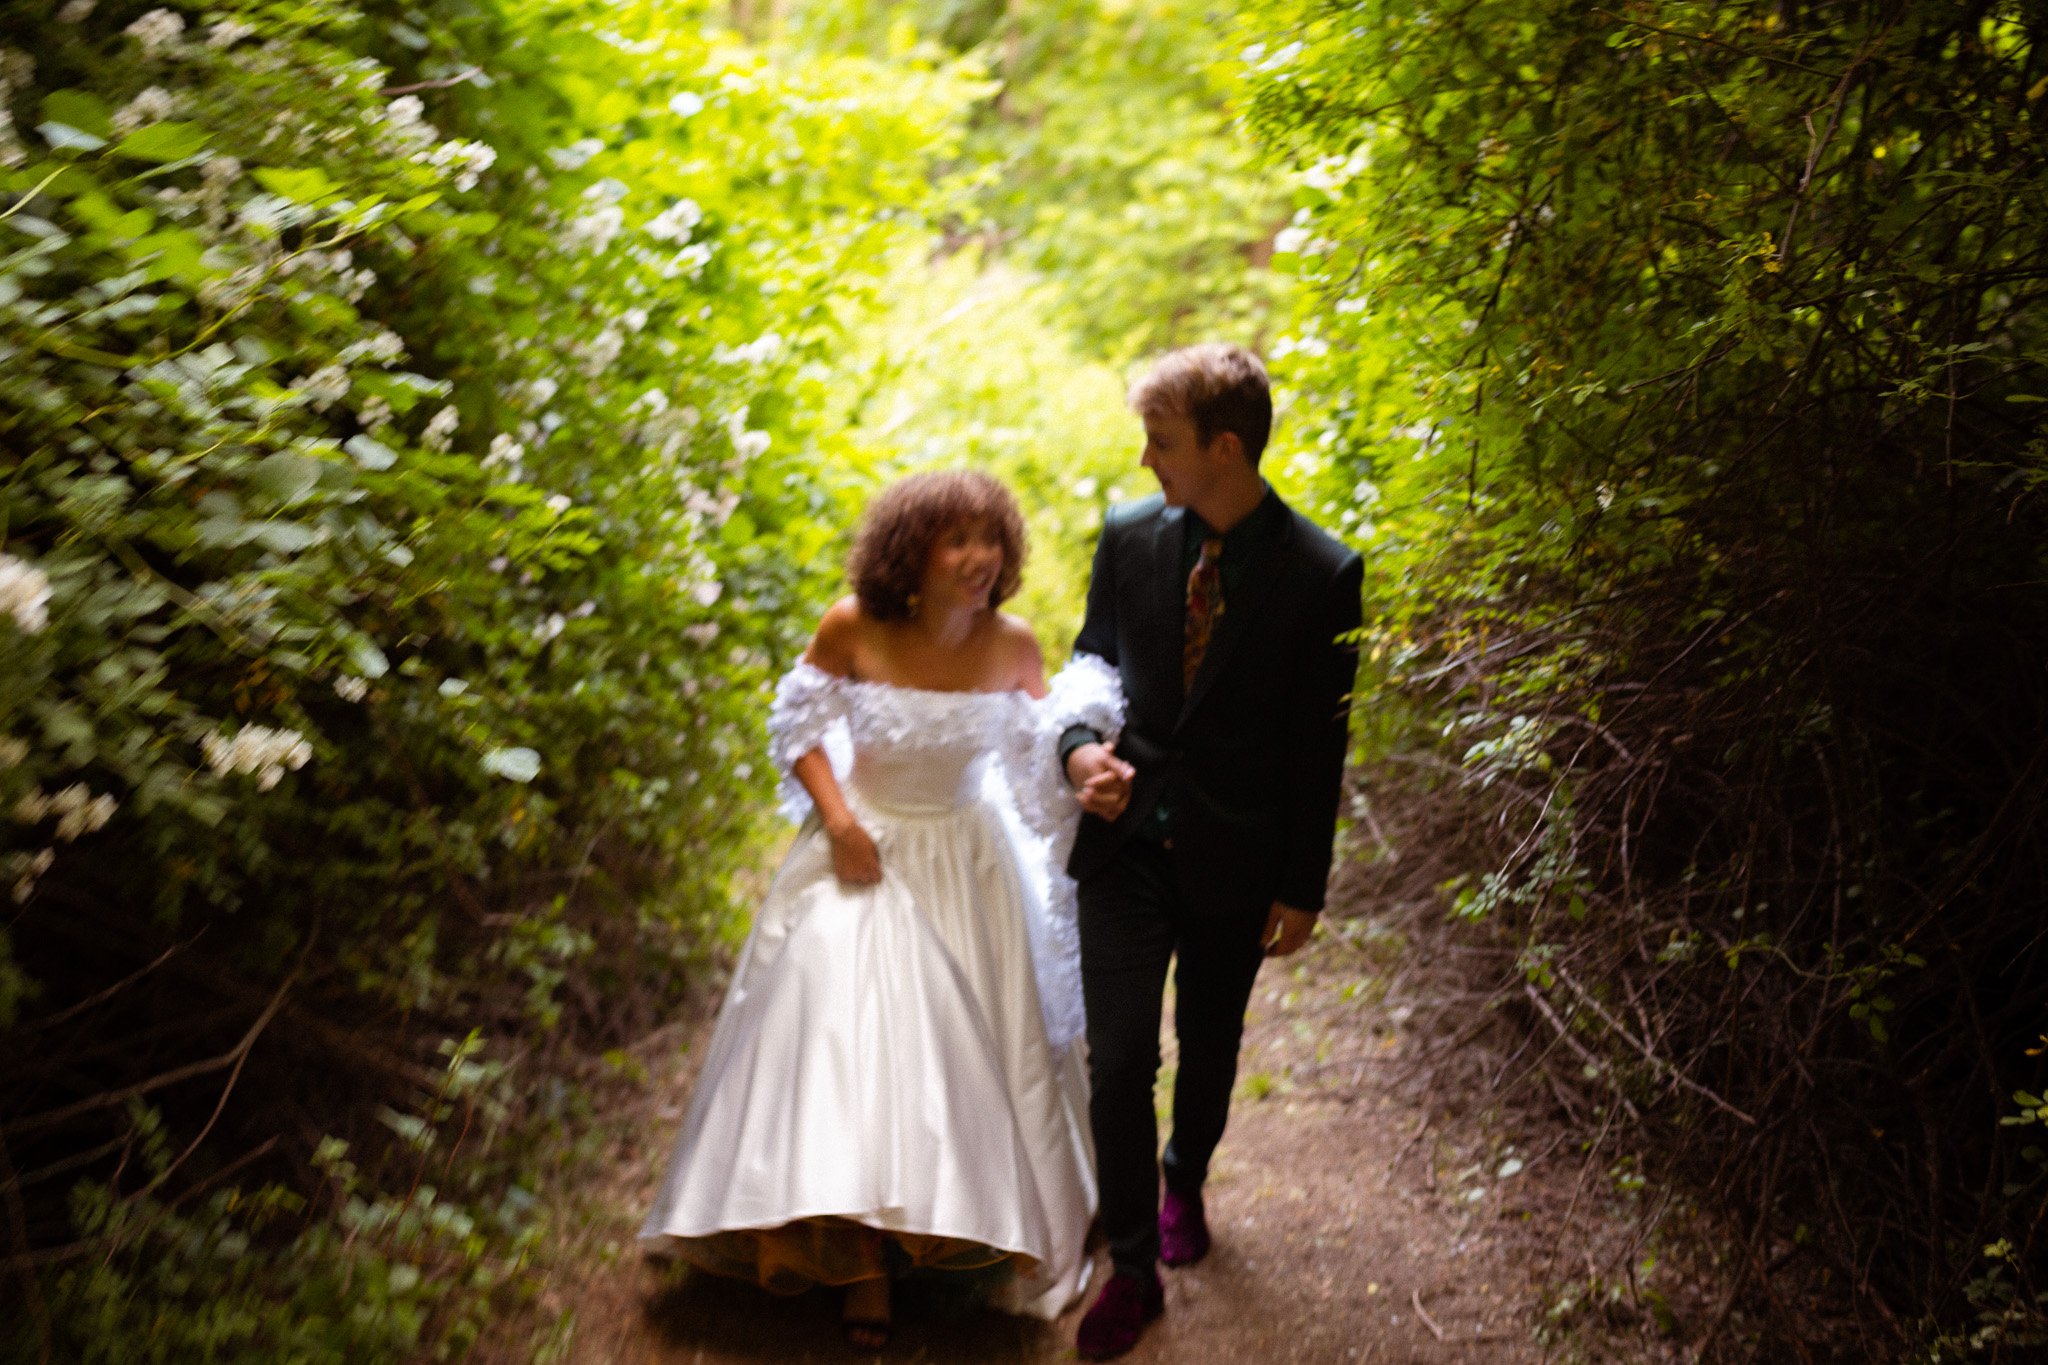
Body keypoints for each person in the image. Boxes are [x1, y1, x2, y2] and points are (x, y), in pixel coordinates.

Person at [638, 470, 1122, 1346]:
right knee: (844, 1031)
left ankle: (967, 1220)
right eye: (957, 540)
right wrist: (839, 823)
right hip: (863, 846)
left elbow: (1032, 757)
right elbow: (798, 730)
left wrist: (1086, 775)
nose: (980, 557)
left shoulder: (1013, 643)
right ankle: (860, 1258)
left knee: (971, 1053)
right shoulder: (851, 625)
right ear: (911, 553)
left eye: (991, 539)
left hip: (968, 862)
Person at [1058, 344, 1365, 1360]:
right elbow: (1089, 668)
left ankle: (1184, 1176)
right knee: (1117, 1062)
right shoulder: (1127, 535)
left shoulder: (1323, 573)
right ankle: (1131, 1269)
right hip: (1125, 845)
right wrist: (1077, 751)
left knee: (1211, 1045)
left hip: (1238, 855)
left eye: (1161, 441)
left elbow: (1319, 744)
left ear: (1223, 448)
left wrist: (1303, 886)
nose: (1145, 458)